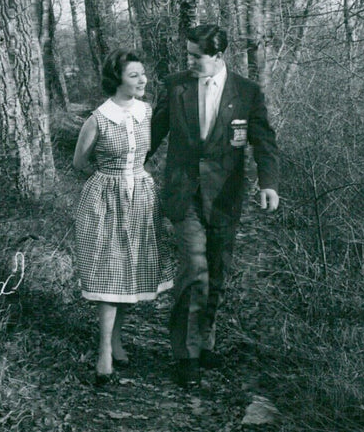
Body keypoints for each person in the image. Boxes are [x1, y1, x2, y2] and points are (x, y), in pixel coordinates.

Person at [150, 24, 279, 389]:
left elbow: (264, 142)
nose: (189, 61)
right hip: (183, 192)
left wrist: (269, 184)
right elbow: (154, 133)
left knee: (218, 272)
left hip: (225, 195)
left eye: (197, 56)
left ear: (219, 56)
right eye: (187, 54)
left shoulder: (247, 92)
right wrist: (123, 167)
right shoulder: (175, 86)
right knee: (194, 268)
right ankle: (186, 354)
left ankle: (205, 340)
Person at [73, 49, 174, 386]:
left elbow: (149, 151)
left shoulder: (147, 113)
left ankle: (117, 339)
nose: (143, 79)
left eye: (143, 74)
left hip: (142, 196)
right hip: (106, 200)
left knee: (130, 272)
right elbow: (78, 163)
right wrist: (110, 180)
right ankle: (103, 350)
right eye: (134, 75)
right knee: (108, 273)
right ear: (117, 80)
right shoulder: (98, 118)